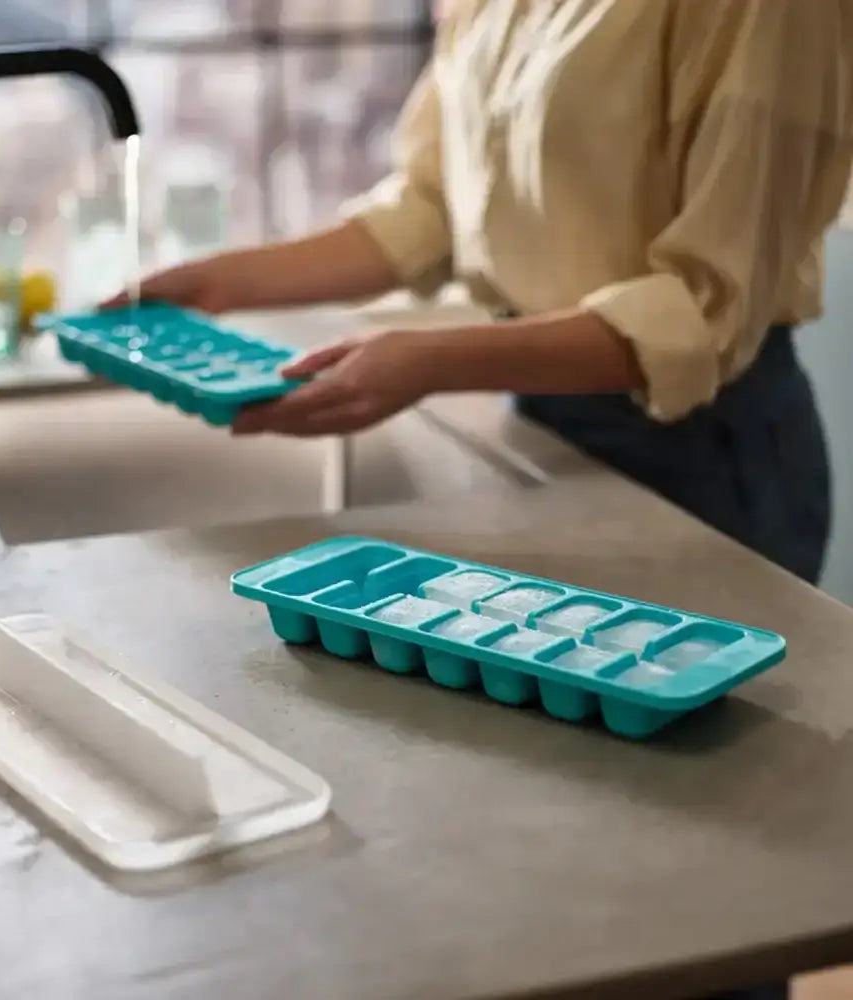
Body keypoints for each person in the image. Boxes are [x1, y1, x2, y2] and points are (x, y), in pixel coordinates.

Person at [108, 4, 851, 994]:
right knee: (589, 855)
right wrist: (222, 281)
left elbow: (701, 311)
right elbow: (429, 205)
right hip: (546, 424)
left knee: (701, 887)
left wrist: (431, 361)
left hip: (705, 447)